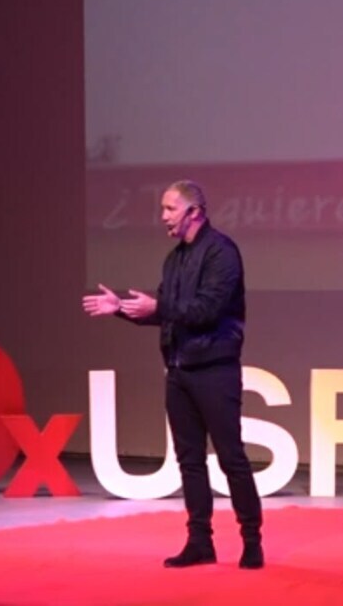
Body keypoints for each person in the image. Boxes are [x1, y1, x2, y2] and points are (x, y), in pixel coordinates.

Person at [81, 179, 264, 570]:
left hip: (214, 369)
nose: (163, 216)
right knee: (190, 461)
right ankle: (200, 542)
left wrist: (159, 308)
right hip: (179, 371)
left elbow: (206, 311)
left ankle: (252, 540)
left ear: (193, 212)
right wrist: (120, 308)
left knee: (231, 457)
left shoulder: (222, 252)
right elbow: (166, 315)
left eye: (169, 209)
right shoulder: (174, 259)